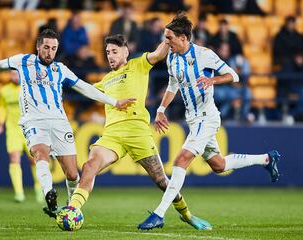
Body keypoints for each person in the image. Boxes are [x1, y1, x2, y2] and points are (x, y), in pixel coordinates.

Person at [138, 13, 281, 230]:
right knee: (219, 165)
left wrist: (213, 79)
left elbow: (234, 75)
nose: (166, 42)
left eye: (169, 38)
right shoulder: (172, 58)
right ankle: (267, 159)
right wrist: (160, 109)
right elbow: (172, 85)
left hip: (207, 117)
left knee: (180, 160)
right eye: (165, 38)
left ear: (184, 38)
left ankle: (159, 214)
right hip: (193, 119)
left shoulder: (205, 55)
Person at [0, 29, 134, 217]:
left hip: (60, 122)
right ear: (38, 47)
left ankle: (71, 208)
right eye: (46, 47)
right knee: (40, 154)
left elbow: (84, 87)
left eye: (53, 48)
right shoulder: (24, 61)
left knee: (72, 174)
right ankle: (48, 193)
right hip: (34, 120)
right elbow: (1, 64)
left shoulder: (60, 69)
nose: (49, 52)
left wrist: (114, 102)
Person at [68, 34, 210, 230]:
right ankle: (73, 209)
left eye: (115, 52)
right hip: (112, 135)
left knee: (162, 181)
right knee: (90, 165)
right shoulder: (106, 79)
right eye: (108, 52)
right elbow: (86, 90)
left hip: (137, 132)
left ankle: (186, 214)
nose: (110, 56)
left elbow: (159, 53)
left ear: (126, 51)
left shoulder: (138, 64)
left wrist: (170, 35)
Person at [0, 70, 43, 203]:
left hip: (28, 129)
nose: (14, 76)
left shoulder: (29, 89)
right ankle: (19, 193)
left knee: (33, 160)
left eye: (16, 74)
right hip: (12, 130)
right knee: (14, 159)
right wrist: (0, 123)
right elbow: (2, 107)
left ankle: (39, 189)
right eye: (12, 74)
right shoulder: (5, 90)